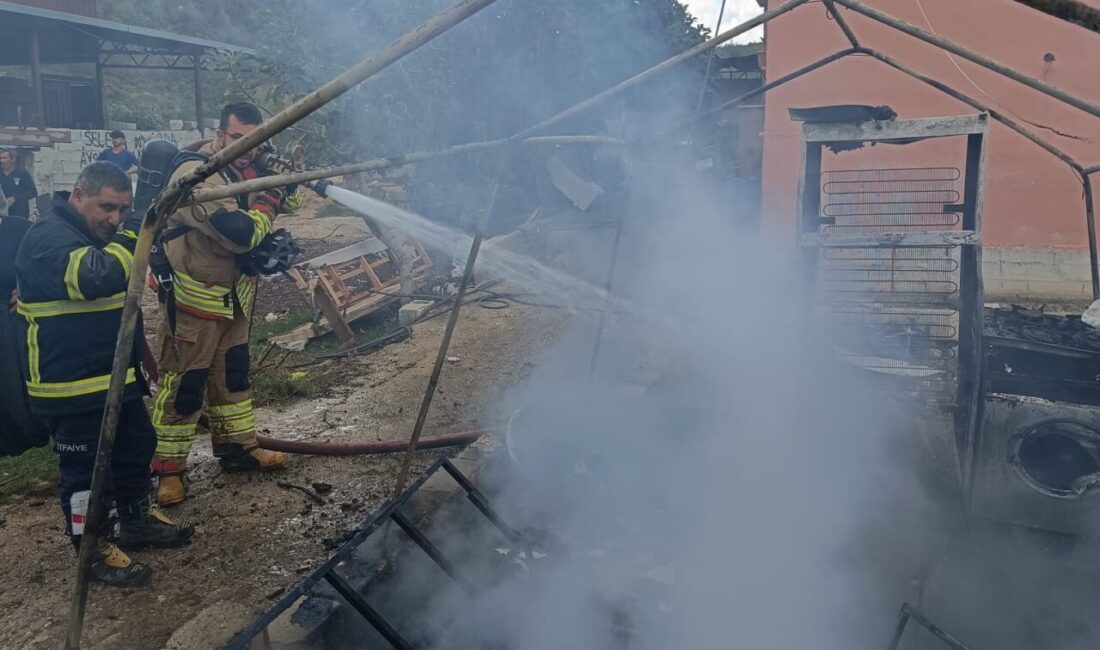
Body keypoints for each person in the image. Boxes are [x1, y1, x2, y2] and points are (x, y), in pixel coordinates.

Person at [15, 162, 193, 587]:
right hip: (71, 386)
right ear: (78, 196)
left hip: (114, 376)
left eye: (123, 209)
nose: (114, 219)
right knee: (85, 474)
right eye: (107, 208)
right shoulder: (47, 238)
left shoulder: (93, 235)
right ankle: (91, 549)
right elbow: (97, 276)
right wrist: (136, 229)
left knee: (136, 449)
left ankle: (136, 523)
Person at [150, 102, 293, 506]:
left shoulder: (244, 169)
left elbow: (294, 201)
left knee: (233, 377)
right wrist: (270, 199)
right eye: (237, 139)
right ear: (219, 133)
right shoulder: (195, 174)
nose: (247, 148)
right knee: (184, 386)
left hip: (236, 300)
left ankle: (238, 449)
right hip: (194, 302)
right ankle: (168, 470)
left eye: (255, 140)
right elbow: (240, 233)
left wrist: (279, 179)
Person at [0, 149, 38, 219]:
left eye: (5, 158)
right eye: (0, 158)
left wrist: (15, 198)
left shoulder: (22, 173)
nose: (2, 161)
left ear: (13, 159)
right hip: (2, 214)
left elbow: (33, 192)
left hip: (19, 214)